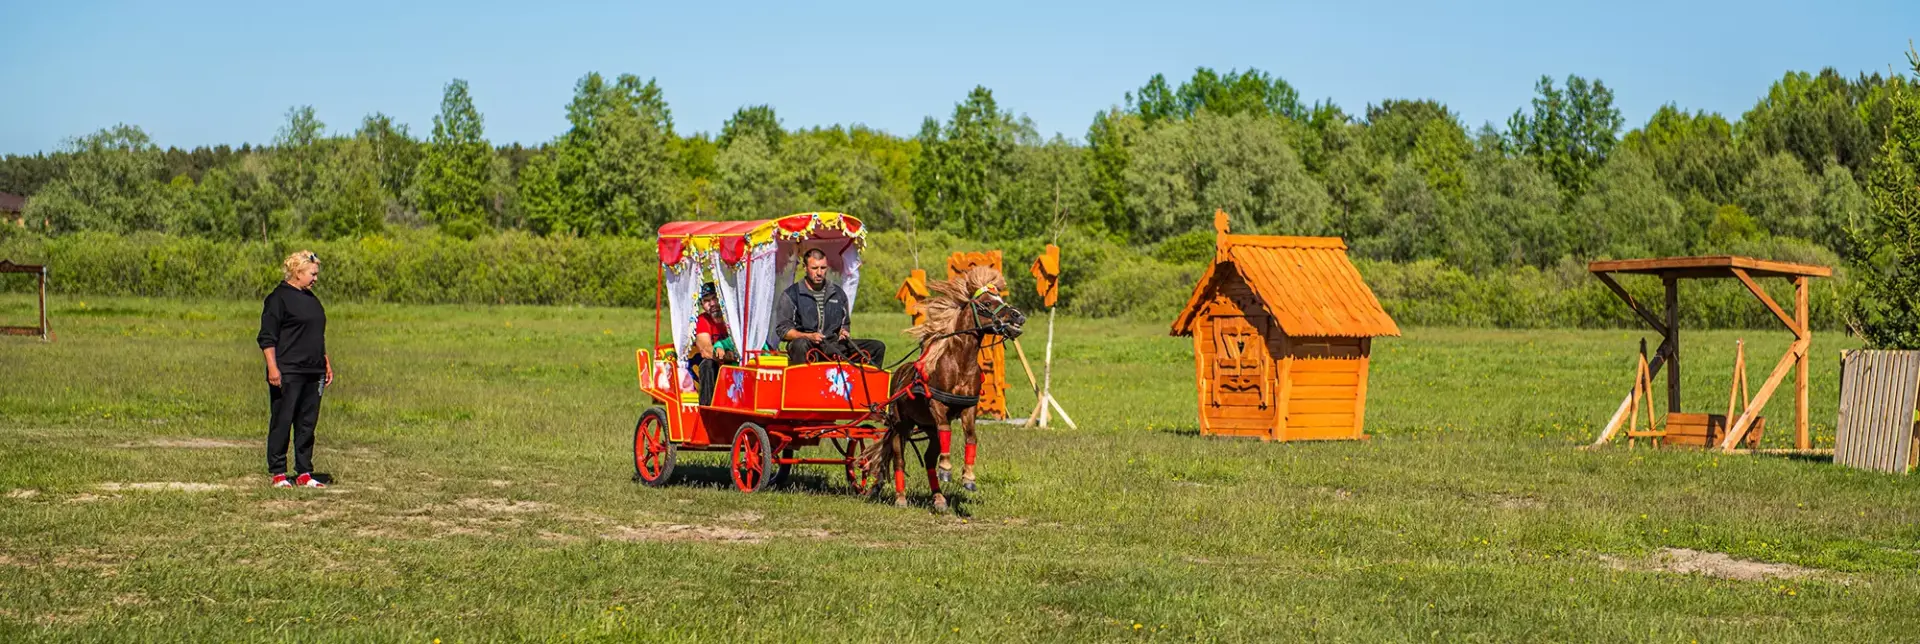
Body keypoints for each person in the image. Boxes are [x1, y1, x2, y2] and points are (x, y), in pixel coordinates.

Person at [257, 250, 333, 489]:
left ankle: (304, 472)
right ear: (298, 272)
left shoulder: (312, 299)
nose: (316, 279)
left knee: (307, 423)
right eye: (312, 274)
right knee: (283, 420)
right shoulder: (278, 298)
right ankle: (279, 472)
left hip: (314, 371)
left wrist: (325, 361)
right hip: (288, 370)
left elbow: (315, 334)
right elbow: (267, 338)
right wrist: (273, 368)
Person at [771, 248, 886, 366]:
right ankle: (805, 383)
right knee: (800, 344)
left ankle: (861, 383)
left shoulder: (838, 293)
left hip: (833, 346)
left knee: (877, 347)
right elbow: (783, 331)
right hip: (806, 346)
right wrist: (808, 336)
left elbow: (844, 324)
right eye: (814, 268)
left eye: (823, 268)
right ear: (805, 268)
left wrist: (843, 332)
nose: (819, 273)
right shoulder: (791, 295)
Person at [691, 282, 738, 405]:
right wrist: (730, 356)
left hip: (735, 365)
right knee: (708, 364)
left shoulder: (733, 318)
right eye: (707, 301)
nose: (712, 304)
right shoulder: (703, 320)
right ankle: (706, 409)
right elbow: (706, 350)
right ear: (702, 304)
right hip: (716, 365)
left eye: (714, 298)